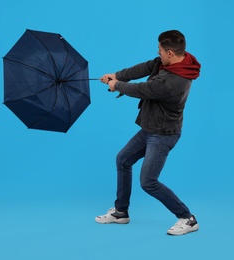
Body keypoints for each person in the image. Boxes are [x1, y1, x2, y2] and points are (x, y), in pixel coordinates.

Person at [96, 30, 201, 236]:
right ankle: (121, 211)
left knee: (148, 182)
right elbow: (145, 67)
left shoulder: (174, 82)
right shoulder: (173, 61)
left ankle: (187, 218)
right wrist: (117, 75)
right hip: (150, 128)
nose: (158, 53)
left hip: (163, 134)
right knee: (123, 160)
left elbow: (143, 89)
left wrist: (116, 85)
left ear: (170, 52)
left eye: (160, 50)